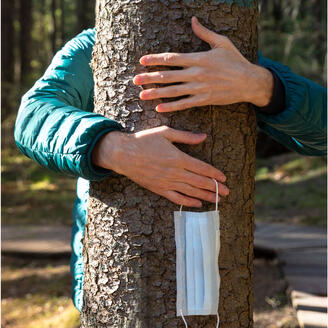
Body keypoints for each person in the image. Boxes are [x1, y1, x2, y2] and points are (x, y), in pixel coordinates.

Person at [14, 17, 327, 312]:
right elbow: (32, 117)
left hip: (222, 289)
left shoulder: (227, 51)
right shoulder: (97, 45)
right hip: (112, 287)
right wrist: (116, 148)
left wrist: (260, 85)